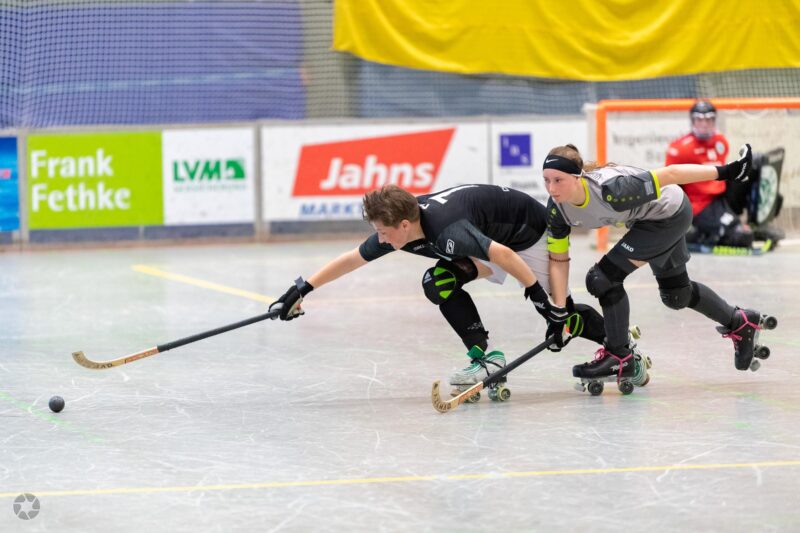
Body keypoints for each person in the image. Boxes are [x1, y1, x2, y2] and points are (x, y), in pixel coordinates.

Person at [268, 183, 649, 399]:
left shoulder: (447, 230)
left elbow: (500, 254)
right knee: (438, 281)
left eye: (384, 233)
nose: (379, 239)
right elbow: (353, 258)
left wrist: (536, 294)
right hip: (489, 239)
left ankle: (622, 350)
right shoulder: (402, 229)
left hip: (527, 235)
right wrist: (301, 289)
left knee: (557, 312)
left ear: (404, 224)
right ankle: (485, 356)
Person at [542, 142, 776, 388]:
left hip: (669, 215)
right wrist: (559, 312)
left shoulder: (611, 190)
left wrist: (728, 171)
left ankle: (619, 356)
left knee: (602, 278)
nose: (551, 188)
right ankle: (740, 322)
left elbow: (671, 174)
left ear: (578, 176)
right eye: (546, 180)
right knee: (676, 295)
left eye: (558, 180)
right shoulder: (557, 210)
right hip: (646, 220)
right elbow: (558, 261)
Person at [665, 99, 784, 248]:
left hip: (721, 196)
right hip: (701, 205)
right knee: (742, 238)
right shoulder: (680, 149)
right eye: (699, 119)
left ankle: (756, 224)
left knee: (755, 163)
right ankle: (697, 235)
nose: (704, 124)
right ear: (692, 121)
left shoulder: (720, 142)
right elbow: (671, 185)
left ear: (714, 120)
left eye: (709, 119)